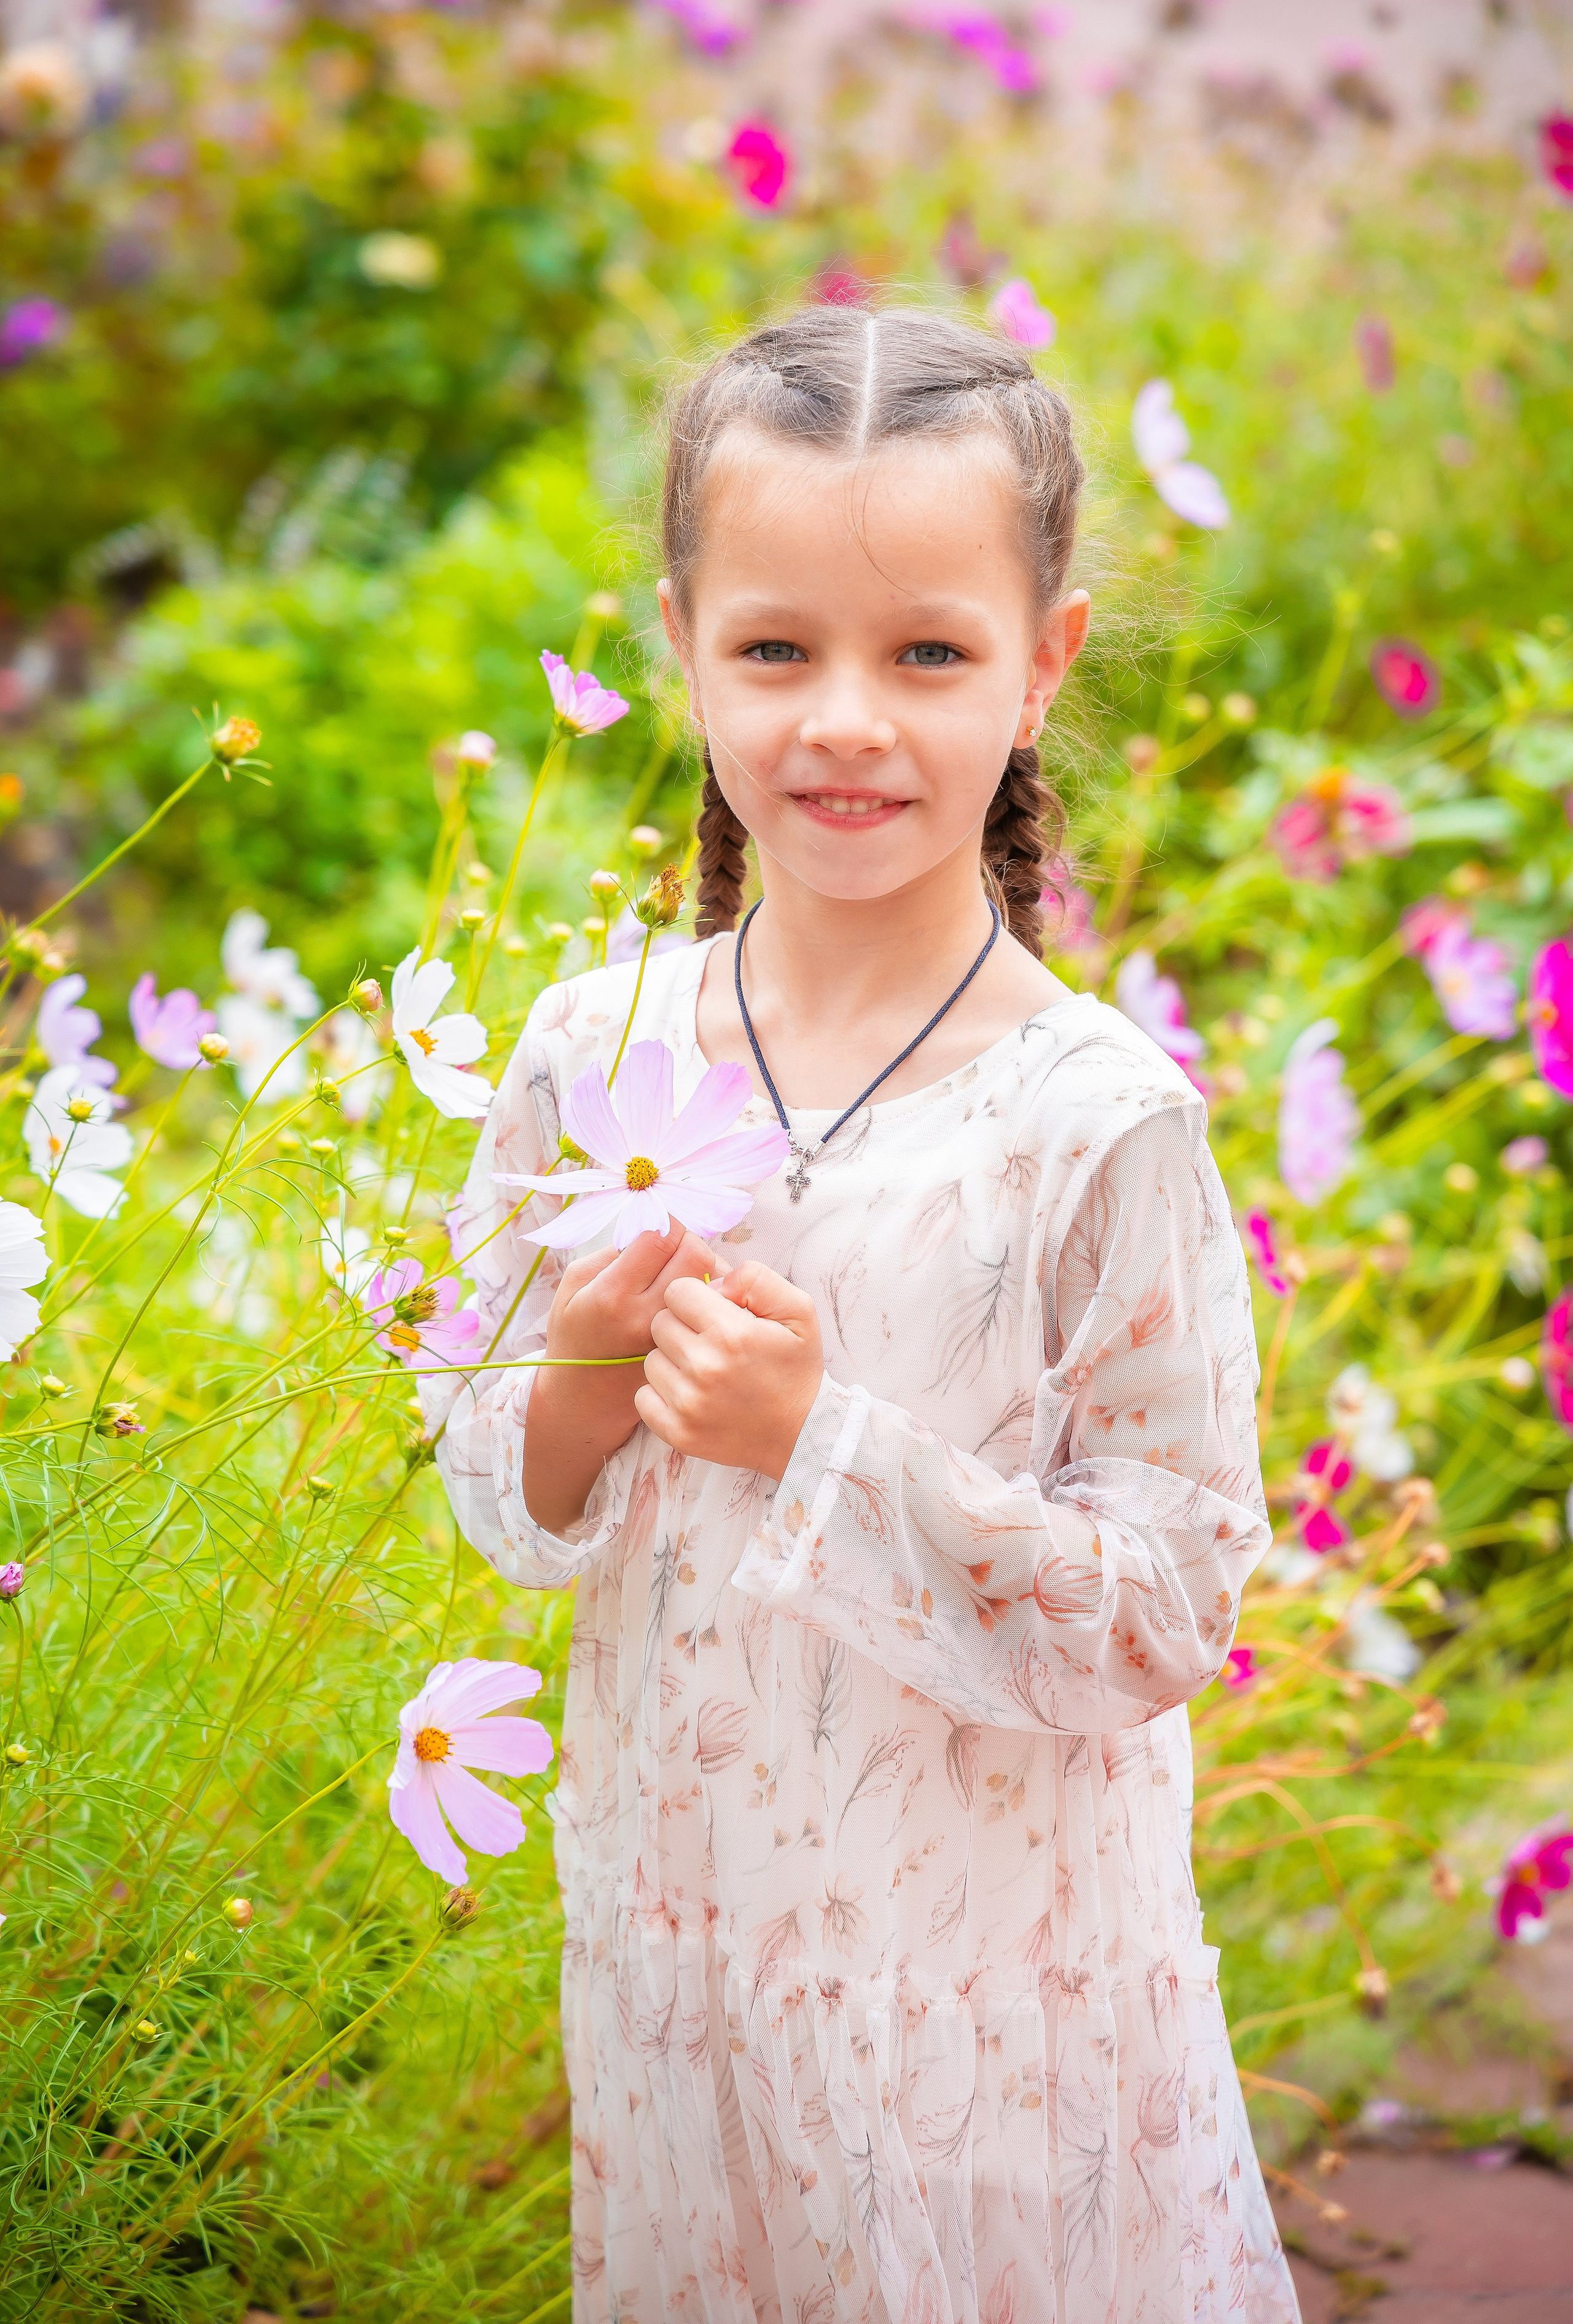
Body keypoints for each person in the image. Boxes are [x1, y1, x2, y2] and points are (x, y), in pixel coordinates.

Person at [426, 305, 1298, 2323]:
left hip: (996, 1995)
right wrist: (574, 1375)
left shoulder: (1094, 1123)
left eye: (926, 653)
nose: (845, 722)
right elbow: (501, 1496)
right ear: (681, 640)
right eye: (774, 648)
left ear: (1043, 661)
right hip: (687, 1956)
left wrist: (825, 1439)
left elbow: (1170, 1604)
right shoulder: (594, 1049)